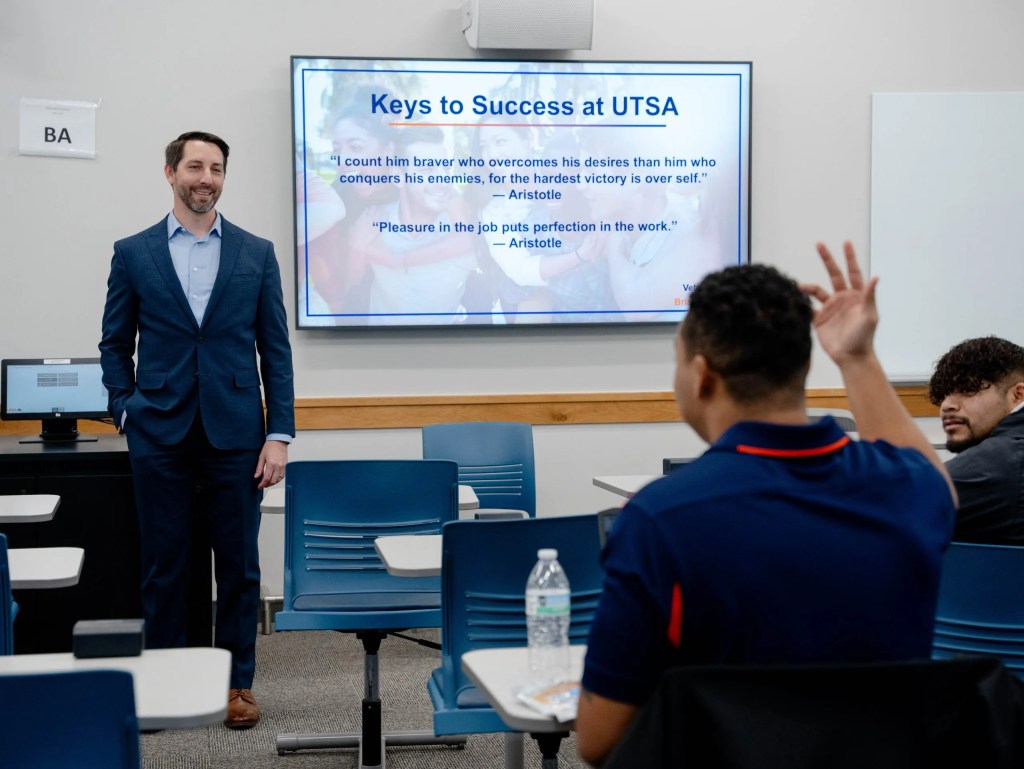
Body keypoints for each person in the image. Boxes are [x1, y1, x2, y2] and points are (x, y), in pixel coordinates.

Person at [576, 243, 956, 766]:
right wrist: (858, 358)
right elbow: (940, 483)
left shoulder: (660, 519)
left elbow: (599, 741)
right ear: (802, 366)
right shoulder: (906, 490)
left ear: (701, 374)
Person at [99, 131, 295, 729]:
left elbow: (275, 350)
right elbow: (113, 343)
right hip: (158, 433)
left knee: (238, 568)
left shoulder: (256, 253)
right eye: (194, 166)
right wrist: (125, 407)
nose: (205, 177)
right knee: (166, 567)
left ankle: (236, 686)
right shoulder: (134, 253)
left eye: (216, 168)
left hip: (237, 436)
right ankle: (164, 684)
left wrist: (279, 433)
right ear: (170, 173)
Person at [928, 336, 1024, 544]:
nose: (946, 405)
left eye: (966, 390)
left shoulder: (1000, 464)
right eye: (944, 395)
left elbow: (894, 507)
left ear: (1018, 395)